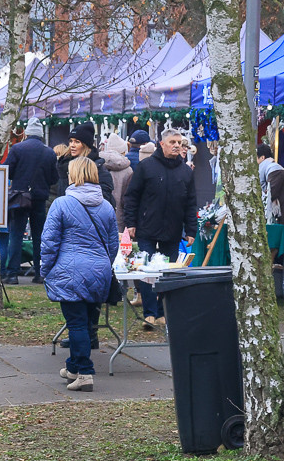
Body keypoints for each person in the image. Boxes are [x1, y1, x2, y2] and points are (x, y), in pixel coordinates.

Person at [41, 157, 119, 393]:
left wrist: (45, 269)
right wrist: (104, 265)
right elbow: (113, 243)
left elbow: (49, 242)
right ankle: (73, 366)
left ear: (73, 176)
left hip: (70, 271)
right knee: (84, 323)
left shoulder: (61, 204)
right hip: (98, 271)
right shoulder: (105, 206)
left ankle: (85, 372)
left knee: (75, 323)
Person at [122, 127, 198, 329]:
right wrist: (131, 223)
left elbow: (191, 203)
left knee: (167, 273)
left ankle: (163, 312)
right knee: (147, 272)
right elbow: (132, 197)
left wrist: (191, 230)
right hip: (147, 227)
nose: (177, 146)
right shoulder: (146, 167)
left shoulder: (185, 172)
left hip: (172, 230)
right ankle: (149, 313)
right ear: (162, 144)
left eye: (180, 143)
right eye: (173, 142)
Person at [4, 116, 58, 285]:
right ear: (41, 135)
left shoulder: (17, 149)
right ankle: (39, 273)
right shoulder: (49, 152)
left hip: (20, 197)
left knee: (16, 235)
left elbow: (7, 171)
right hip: (40, 197)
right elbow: (54, 178)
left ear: (26, 133)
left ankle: (12, 274)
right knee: (39, 236)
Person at [66, 123, 114, 205]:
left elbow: (103, 201)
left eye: (77, 142)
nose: (72, 145)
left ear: (86, 145)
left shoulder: (98, 170)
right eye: (71, 141)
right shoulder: (63, 164)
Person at [99, 134, 133, 230]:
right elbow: (127, 198)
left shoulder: (97, 164)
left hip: (98, 215)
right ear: (123, 151)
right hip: (119, 217)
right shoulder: (127, 169)